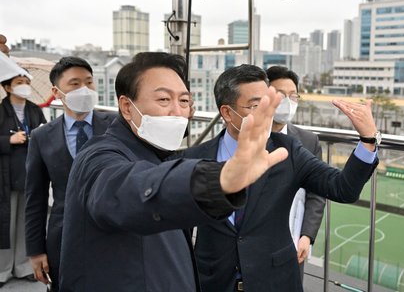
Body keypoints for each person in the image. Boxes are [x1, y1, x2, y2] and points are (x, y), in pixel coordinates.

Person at [58, 52, 288, 292]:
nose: (178, 112)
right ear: (127, 107)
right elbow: (127, 188)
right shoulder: (98, 156)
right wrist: (217, 179)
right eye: (164, 100)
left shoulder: (158, 154)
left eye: (184, 101)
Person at [181, 64, 380, 292]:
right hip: (213, 282)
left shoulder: (289, 150)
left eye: (269, 104)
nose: (268, 113)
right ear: (227, 112)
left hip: (276, 280)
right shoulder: (194, 158)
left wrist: (367, 140)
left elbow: (342, 188)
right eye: (257, 106)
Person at [25, 56, 115, 291]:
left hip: (114, 232)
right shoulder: (42, 137)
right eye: (75, 84)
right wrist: (35, 250)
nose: (84, 90)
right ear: (56, 92)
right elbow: (35, 199)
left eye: (89, 82)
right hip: (63, 235)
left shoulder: (117, 126)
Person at [266, 65, 325, 281]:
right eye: (281, 95)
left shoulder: (308, 141)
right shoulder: (246, 137)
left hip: (292, 241)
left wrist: (307, 236)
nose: (288, 102)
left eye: (293, 96)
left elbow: (317, 193)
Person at [0, 73, 46, 287]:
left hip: (29, 173)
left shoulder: (34, 110)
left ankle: (24, 267)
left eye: (27, 82)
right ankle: (3, 270)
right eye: (19, 83)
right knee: (5, 225)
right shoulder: (0, 110)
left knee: (26, 223)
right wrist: (8, 140)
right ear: (7, 87)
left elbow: (46, 133)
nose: (25, 86)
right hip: (6, 176)